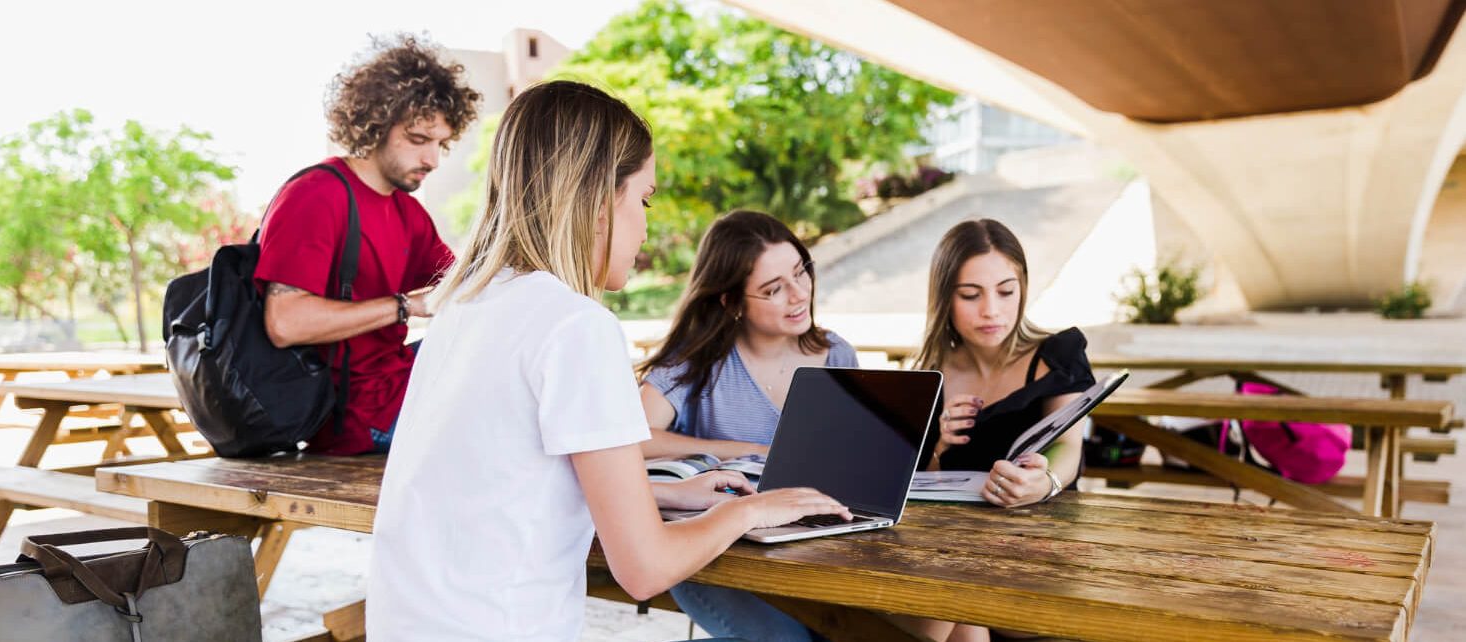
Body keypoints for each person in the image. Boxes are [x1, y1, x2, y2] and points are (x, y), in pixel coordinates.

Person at [365, 80, 850, 642]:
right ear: (598, 199)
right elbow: (645, 568)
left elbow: (512, 482)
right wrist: (748, 511)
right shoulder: (575, 325)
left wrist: (667, 494)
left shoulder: (463, 304)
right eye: (643, 199)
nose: (646, 227)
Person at [635, 209, 858, 641]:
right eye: (774, 289)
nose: (798, 295)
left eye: (801, 273)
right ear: (731, 301)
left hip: (811, 543)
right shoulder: (696, 360)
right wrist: (735, 449)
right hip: (709, 550)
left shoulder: (837, 355)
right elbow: (633, 439)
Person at [255, 36, 479, 455]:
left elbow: (466, 287)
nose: (433, 159)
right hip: (354, 417)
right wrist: (405, 305)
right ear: (376, 122)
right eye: (418, 139)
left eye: (441, 144)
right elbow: (284, 323)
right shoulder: (316, 194)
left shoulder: (408, 214)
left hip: (398, 390)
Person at [902, 218, 1095, 642]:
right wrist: (938, 446)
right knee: (952, 608)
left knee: (953, 611)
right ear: (945, 298)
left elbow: (1068, 447)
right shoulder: (926, 377)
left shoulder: (1055, 356)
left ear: (1024, 287)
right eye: (971, 295)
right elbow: (914, 491)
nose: (992, 310)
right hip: (958, 553)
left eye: (1007, 291)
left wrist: (1042, 482)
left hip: (1045, 549)